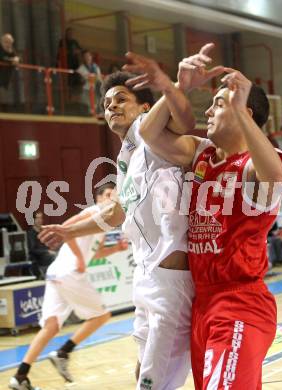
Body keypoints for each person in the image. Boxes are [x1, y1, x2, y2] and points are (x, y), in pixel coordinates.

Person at [124, 44, 282, 389]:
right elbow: (150, 135)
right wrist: (174, 87)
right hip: (202, 304)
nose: (208, 111)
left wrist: (239, 108)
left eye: (219, 103)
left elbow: (275, 179)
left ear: (247, 112)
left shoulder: (257, 163)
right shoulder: (202, 155)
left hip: (240, 302)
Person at [39, 71, 195, 389]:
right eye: (107, 103)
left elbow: (182, 120)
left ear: (145, 108)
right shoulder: (126, 156)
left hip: (169, 279)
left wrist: (175, 85)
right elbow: (114, 213)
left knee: (152, 382)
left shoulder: (152, 136)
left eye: (121, 99)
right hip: (145, 274)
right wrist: (69, 233)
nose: (112, 107)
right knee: (142, 371)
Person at [9, 183, 127, 390]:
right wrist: (80, 258)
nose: (111, 199)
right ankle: (63, 352)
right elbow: (67, 229)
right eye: (108, 195)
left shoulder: (102, 224)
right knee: (101, 316)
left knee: (51, 327)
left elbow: (96, 253)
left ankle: (20, 376)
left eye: (113, 196)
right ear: (98, 198)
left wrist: (116, 248)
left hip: (57, 272)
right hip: (69, 272)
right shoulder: (93, 211)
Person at [27, 211, 56, 279]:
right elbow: (32, 250)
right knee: (53, 256)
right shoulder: (30, 233)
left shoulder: (43, 232)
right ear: (33, 220)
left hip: (46, 255)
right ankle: (52, 277)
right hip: (37, 258)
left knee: (59, 253)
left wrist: (51, 249)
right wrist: (47, 251)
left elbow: (47, 245)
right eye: (37, 218)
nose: (39, 220)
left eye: (41, 218)